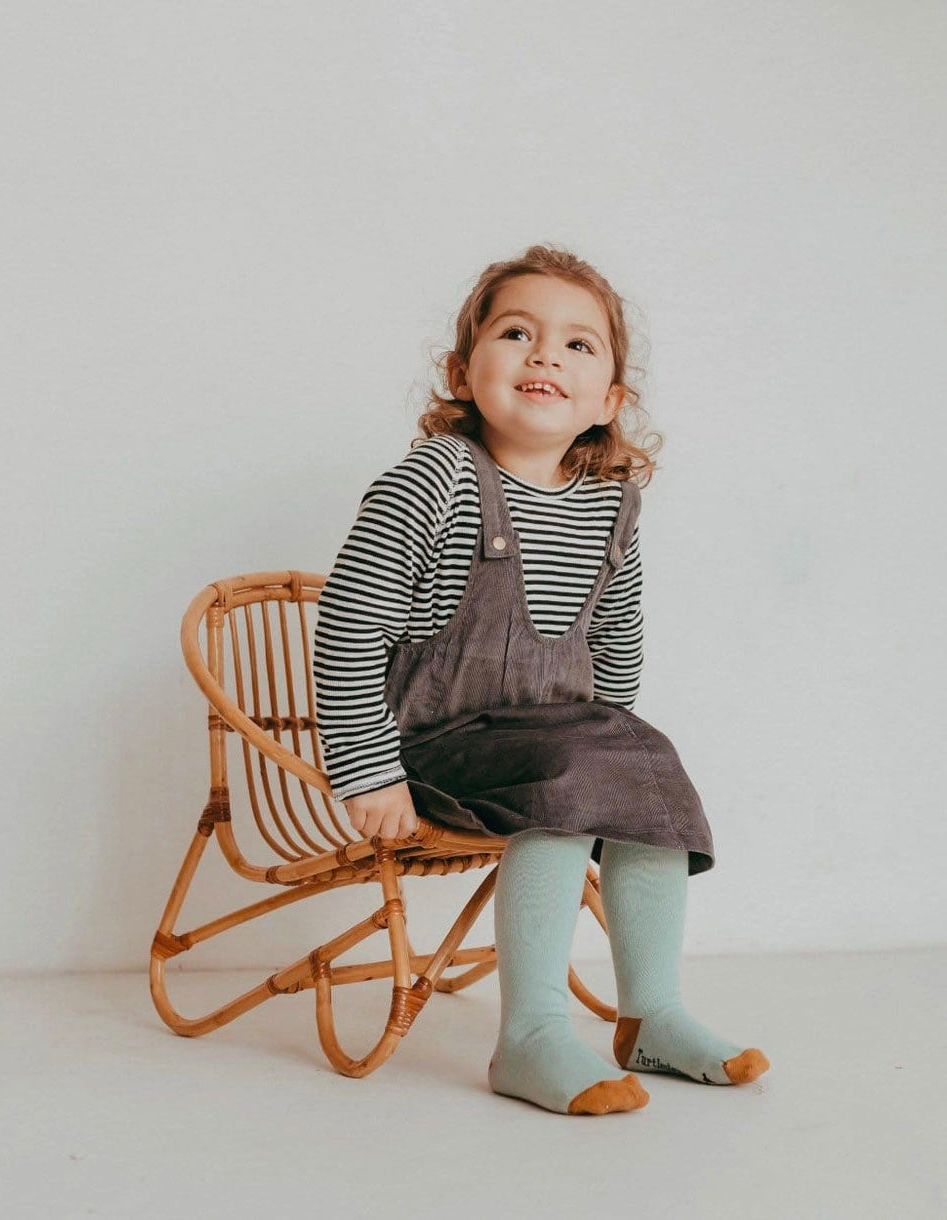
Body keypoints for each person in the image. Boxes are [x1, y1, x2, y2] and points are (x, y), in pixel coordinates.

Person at [312, 243, 770, 1115]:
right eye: (516, 332)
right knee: (563, 798)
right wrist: (366, 768)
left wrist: (614, 744)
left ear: (608, 399)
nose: (544, 355)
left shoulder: (609, 501)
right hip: (436, 743)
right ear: (461, 369)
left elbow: (617, 632)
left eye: (577, 345)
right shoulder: (433, 481)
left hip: (550, 738)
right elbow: (347, 629)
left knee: (648, 785)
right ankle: (528, 1036)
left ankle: (655, 1015)